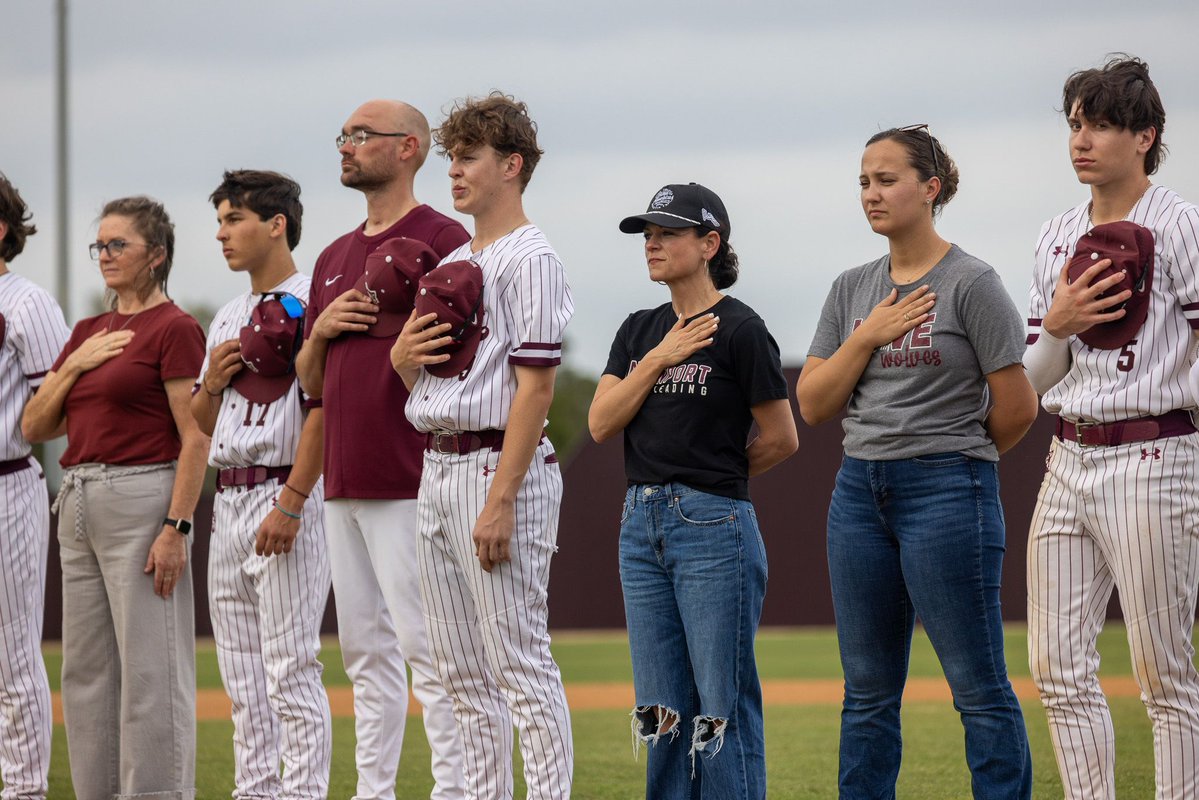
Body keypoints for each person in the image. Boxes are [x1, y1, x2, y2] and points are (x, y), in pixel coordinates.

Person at [797, 126, 1037, 799]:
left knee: (976, 685)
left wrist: (954, 456)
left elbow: (1016, 407)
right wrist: (868, 335)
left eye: (885, 179)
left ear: (929, 189)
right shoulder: (853, 289)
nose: (870, 193)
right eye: (863, 182)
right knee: (867, 691)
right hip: (857, 494)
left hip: (946, 490)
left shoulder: (971, 282)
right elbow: (813, 403)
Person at [1023, 55, 1199, 800]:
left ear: (1144, 135)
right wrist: (1055, 328)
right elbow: (1033, 382)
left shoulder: (1180, 224)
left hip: (1155, 448)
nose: (1081, 140)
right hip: (1067, 456)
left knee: (1164, 675)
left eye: (1099, 124)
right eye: (1073, 124)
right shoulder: (1053, 235)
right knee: (1056, 669)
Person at [390, 92, 574, 800]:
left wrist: (501, 501)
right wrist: (402, 354)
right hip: (438, 460)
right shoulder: (463, 255)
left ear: (512, 165)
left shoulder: (530, 256)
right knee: (459, 671)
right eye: (452, 158)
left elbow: (534, 391)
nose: (455, 171)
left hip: (498, 465)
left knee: (517, 663)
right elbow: (422, 379)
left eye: (469, 157)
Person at [588, 182, 797, 798]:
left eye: (667, 232)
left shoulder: (741, 330)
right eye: (647, 233)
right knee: (661, 707)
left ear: (710, 243)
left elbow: (782, 438)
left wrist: (711, 486)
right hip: (639, 522)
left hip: (712, 526)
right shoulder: (639, 329)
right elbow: (601, 422)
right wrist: (657, 357)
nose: (652, 242)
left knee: (720, 702)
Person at [293, 99, 468, 800]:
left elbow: (464, 355)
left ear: (409, 149)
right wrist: (322, 330)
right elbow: (310, 384)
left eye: (361, 136)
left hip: (412, 476)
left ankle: (456, 789)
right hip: (344, 479)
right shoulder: (333, 256)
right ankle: (374, 792)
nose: (345, 146)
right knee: (364, 654)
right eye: (343, 135)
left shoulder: (444, 235)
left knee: (430, 651)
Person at [21, 196, 207, 799]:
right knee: (86, 675)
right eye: (98, 245)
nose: (104, 256)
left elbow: (195, 434)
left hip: (142, 499)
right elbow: (36, 426)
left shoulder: (175, 328)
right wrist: (72, 364)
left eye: (117, 245)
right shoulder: (87, 332)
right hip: (77, 500)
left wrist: (176, 527)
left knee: (151, 671)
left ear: (156, 255)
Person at [190, 170, 332, 799]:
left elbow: (326, 412)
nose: (221, 234)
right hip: (229, 497)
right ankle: (254, 792)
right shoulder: (226, 315)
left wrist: (292, 503)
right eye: (219, 220)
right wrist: (213, 384)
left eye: (234, 219)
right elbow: (198, 422)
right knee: (242, 680)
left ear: (277, 223)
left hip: (284, 491)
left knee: (290, 671)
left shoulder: (317, 298)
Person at [0, 173, 69, 800]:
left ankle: (23, 792)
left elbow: (62, 405)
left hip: (6, 485)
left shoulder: (27, 303)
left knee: (11, 656)